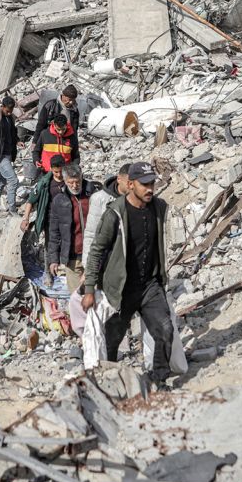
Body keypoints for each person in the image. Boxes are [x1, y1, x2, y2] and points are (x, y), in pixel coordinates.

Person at [82, 162, 176, 381]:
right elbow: (97, 250)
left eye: (152, 183)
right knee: (112, 340)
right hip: (121, 290)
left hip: (150, 286)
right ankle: (113, 382)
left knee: (165, 329)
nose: (150, 188)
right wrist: (89, 289)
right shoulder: (115, 213)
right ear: (131, 184)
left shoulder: (158, 208)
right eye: (144, 184)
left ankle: (159, 379)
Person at [47, 163, 98, 291]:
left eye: (78, 182)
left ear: (82, 178)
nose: (75, 186)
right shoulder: (59, 200)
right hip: (72, 257)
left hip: (94, 255)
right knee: (76, 297)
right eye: (71, 183)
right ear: (64, 181)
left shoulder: (93, 195)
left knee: (95, 296)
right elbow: (54, 232)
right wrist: (53, 259)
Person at [83, 162, 131, 259]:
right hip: (106, 259)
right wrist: (88, 265)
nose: (132, 186)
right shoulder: (99, 198)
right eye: (128, 183)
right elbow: (91, 233)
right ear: (119, 179)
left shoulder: (137, 199)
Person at [20, 154, 66, 249]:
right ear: (51, 168)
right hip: (50, 221)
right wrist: (26, 219)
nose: (59, 174)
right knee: (50, 247)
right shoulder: (44, 183)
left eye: (61, 171)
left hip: (67, 220)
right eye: (56, 172)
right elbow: (30, 201)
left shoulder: (70, 181)